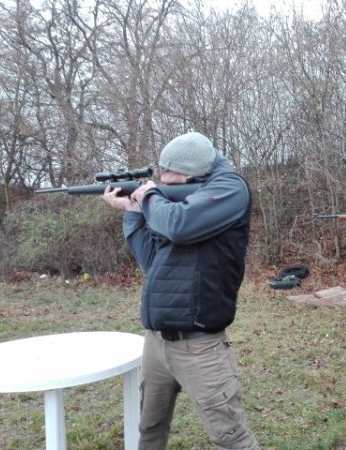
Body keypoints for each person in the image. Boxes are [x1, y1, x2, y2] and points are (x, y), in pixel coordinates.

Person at [102, 131, 260, 450]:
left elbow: (179, 225)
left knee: (231, 438)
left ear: (191, 172)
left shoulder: (229, 189)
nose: (162, 178)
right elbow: (152, 261)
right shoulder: (174, 204)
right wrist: (133, 211)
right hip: (156, 341)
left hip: (200, 346)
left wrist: (149, 196)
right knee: (149, 429)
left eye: (168, 171)